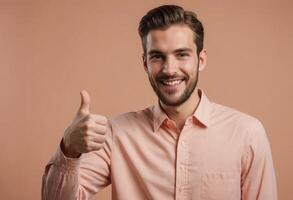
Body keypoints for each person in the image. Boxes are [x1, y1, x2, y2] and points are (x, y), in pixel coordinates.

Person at [42, 5, 278, 200]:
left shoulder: (247, 133)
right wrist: (69, 149)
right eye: (157, 57)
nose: (169, 69)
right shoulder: (116, 135)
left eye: (182, 54)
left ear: (201, 59)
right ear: (145, 63)